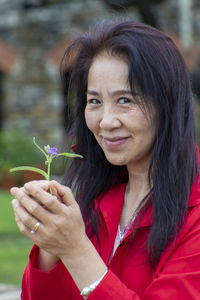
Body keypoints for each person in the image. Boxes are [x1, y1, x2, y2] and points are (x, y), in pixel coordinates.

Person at [10, 19, 200, 299]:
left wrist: (76, 249)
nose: (106, 122)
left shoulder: (193, 214)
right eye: (94, 101)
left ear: (167, 104)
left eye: (125, 100)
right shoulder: (97, 198)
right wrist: (51, 244)